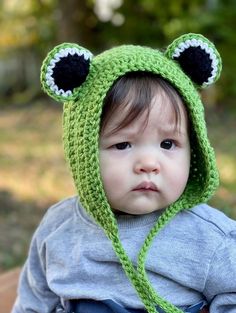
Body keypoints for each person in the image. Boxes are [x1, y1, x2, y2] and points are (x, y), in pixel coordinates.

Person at [12, 33, 236, 313]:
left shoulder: (210, 238)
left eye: (168, 144)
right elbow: (33, 302)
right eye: (122, 144)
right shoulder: (59, 229)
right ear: (84, 153)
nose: (148, 163)